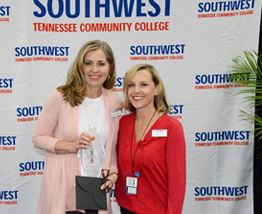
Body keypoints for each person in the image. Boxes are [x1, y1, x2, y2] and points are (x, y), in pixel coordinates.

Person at [32, 40, 122, 214]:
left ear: (110, 68)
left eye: (101, 63)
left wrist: (113, 173)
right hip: (63, 184)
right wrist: (71, 146)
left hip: (96, 187)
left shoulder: (115, 101)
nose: (94, 70)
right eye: (88, 63)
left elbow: (111, 146)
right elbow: (38, 138)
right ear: (80, 67)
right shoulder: (61, 96)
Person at [115, 64, 186, 214]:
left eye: (144, 84)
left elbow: (177, 183)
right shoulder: (123, 123)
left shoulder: (172, 128)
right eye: (131, 85)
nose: (136, 91)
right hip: (126, 208)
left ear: (156, 89)